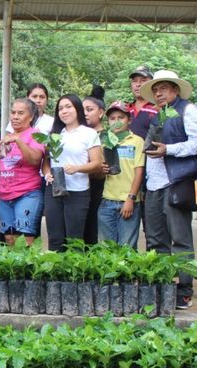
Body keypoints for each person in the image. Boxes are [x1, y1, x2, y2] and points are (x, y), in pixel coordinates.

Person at [140, 70, 197, 310]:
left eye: (164, 89)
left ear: (176, 90)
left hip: (176, 182)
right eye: (156, 90)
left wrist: (169, 149)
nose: (159, 94)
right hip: (153, 185)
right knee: (155, 240)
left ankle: (185, 290)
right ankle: (162, 287)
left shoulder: (188, 110)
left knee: (180, 239)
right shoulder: (158, 115)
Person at [42, 94, 102, 251]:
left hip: (78, 191)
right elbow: (46, 161)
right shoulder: (54, 134)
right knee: (55, 238)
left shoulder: (89, 133)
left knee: (74, 239)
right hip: (54, 190)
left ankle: (75, 267)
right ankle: (55, 266)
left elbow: (97, 163)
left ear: (78, 109)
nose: (64, 111)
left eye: (68, 107)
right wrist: (47, 174)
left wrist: (77, 168)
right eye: (60, 108)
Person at [0, 99, 45, 246]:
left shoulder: (36, 135)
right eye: (13, 112)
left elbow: (35, 160)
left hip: (27, 193)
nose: (15, 116)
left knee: (25, 239)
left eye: (20, 113)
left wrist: (18, 140)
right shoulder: (7, 137)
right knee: (9, 238)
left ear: (31, 116)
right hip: (4, 195)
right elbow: (3, 167)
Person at [97, 101, 145, 248]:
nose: (116, 121)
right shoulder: (105, 142)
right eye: (112, 118)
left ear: (129, 120)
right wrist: (101, 170)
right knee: (106, 248)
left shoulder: (137, 141)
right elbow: (100, 173)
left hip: (129, 201)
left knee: (127, 248)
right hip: (107, 200)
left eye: (121, 117)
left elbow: (139, 171)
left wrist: (131, 198)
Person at [83, 87, 107, 245]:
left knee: (94, 230)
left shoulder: (108, 137)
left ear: (101, 112)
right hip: (79, 186)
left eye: (89, 109)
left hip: (100, 188)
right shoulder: (76, 135)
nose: (85, 113)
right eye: (82, 110)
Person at [126, 65, 157, 139]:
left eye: (143, 80)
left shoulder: (158, 109)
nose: (138, 84)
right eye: (134, 81)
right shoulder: (125, 109)